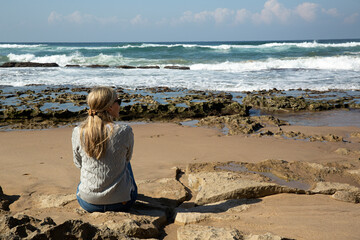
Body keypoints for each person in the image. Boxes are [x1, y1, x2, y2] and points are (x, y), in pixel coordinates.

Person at [71, 86, 137, 212]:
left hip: (88, 202)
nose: (120, 106)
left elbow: (78, 163)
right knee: (125, 162)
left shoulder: (78, 131)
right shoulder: (124, 131)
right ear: (110, 107)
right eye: (119, 102)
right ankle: (117, 191)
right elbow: (128, 158)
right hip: (122, 203)